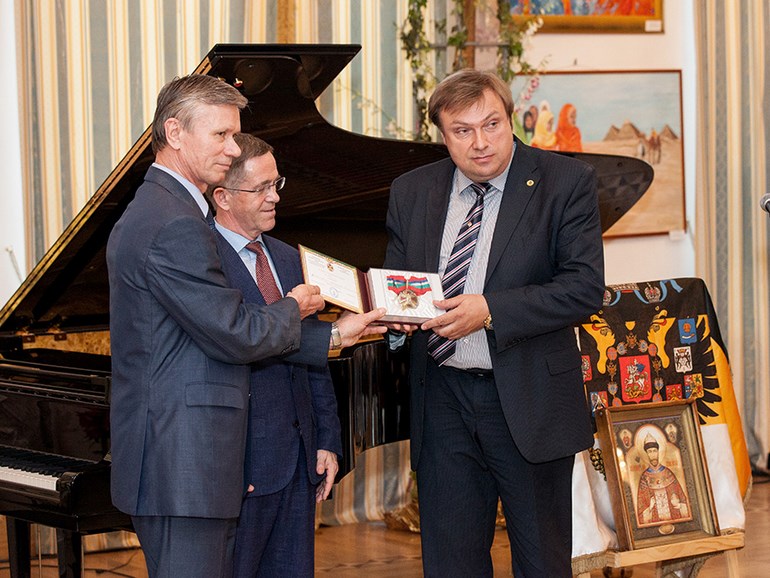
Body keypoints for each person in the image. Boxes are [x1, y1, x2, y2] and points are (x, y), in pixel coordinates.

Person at [107, 74, 383, 578]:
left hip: (185, 464)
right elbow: (233, 331)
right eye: (221, 135)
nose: (233, 149)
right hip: (184, 465)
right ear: (175, 132)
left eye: (235, 136)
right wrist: (298, 309)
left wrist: (332, 335)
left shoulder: (163, 210)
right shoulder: (174, 222)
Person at [384, 69, 604, 577]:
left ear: (510, 119)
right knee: (451, 563)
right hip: (441, 400)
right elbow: (399, 281)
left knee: (541, 563)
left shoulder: (564, 182)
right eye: (462, 131)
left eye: (491, 125)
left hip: (528, 400)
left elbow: (583, 288)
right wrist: (394, 319)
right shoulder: (412, 190)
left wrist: (489, 311)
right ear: (442, 135)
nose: (480, 143)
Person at [207, 133, 379, 577]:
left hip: (298, 463)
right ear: (223, 197)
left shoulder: (288, 258)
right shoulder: (203, 263)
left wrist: (327, 438)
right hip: (239, 469)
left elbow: (313, 354)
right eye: (261, 188)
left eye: (276, 183)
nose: (275, 197)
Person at [637, 434, 690, 525]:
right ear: (646, 454)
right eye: (650, 452)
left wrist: (680, 505)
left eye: (654, 451)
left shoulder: (668, 473)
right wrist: (650, 507)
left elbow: (682, 498)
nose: (653, 454)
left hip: (674, 520)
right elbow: (641, 507)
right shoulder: (644, 477)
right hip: (655, 521)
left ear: (658, 452)